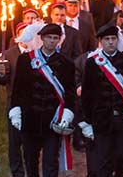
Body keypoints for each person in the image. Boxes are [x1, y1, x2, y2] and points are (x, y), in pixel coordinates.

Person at [10, 24, 76, 177]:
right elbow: (17, 89)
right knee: (30, 161)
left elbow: (70, 93)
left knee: (51, 164)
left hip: (53, 121)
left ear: (59, 40)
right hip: (30, 120)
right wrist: (16, 111)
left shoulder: (67, 64)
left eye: (55, 38)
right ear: (42, 38)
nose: (52, 41)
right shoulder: (25, 60)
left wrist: (67, 113)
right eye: (49, 38)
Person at [81, 25, 123, 176]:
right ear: (100, 42)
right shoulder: (92, 63)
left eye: (113, 39)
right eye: (106, 39)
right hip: (101, 120)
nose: (110, 42)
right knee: (104, 162)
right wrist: (86, 121)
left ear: (117, 40)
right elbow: (87, 94)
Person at [0, 22, 43, 177]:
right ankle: (17, 172)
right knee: (15, 141)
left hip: (33, 104)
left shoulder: (38, 53)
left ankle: (32, 171)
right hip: (14, 103)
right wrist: (2, 74)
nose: (26, 36)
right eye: (23, 33)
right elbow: (3, 80)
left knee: (31, 142)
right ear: (17, 37)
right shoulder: (9, 54)